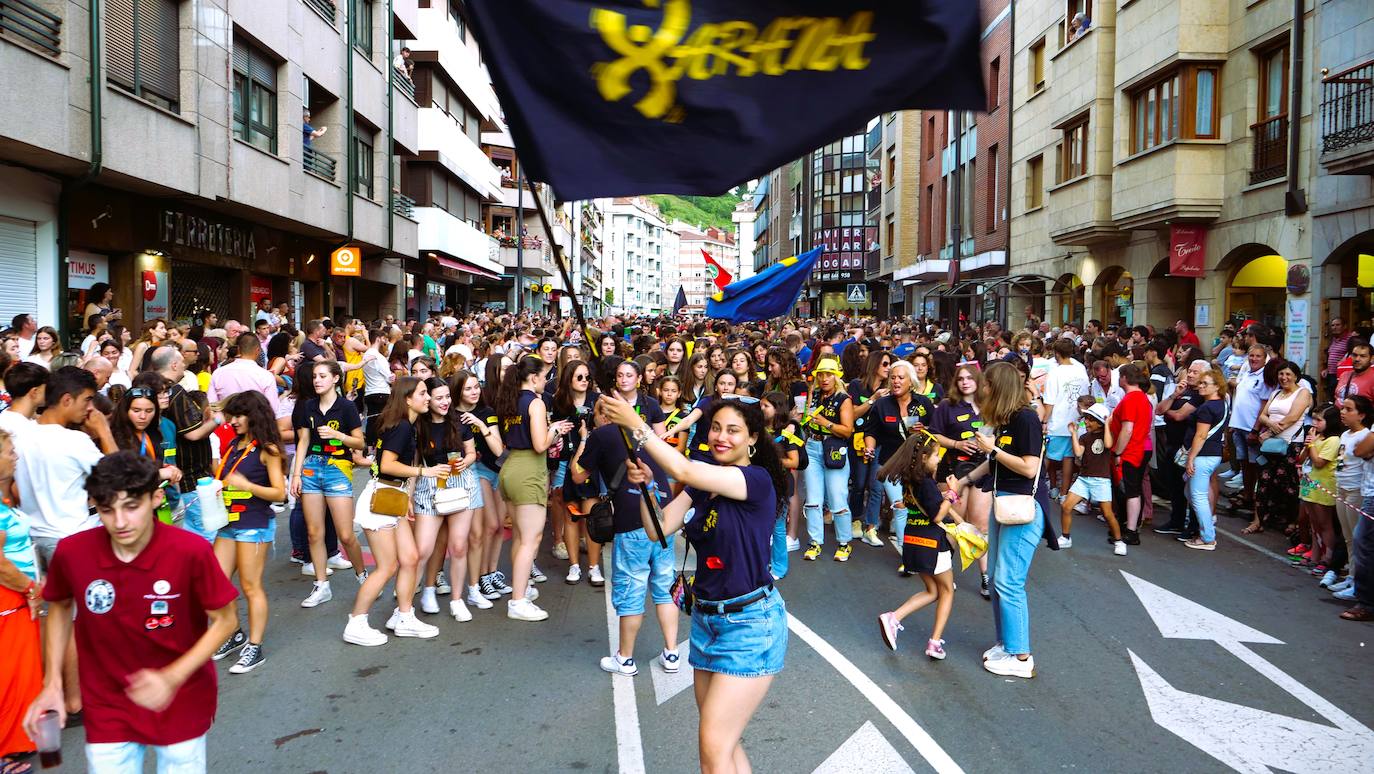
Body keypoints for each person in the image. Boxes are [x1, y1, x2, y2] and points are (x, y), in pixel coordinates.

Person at [599, 393, 790, 773]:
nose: (722, 436)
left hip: (750, 625)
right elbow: (658, 529)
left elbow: (684, 470)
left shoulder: (756, 480)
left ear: (753, 438)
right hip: (706, 622)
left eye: (733, 430)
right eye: (716, 428)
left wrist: (634, 426)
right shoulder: (704, 480)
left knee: (713, 750)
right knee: (722, 744)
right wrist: (647, 487)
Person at [24, 452, 239, 774]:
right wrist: (52, 684)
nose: (120, 522)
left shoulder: (190, 551)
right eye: (107, 510)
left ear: (155, 497)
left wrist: (172, 676)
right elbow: (59, 605)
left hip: (181, 698)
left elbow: (226, 620)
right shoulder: (73, 552)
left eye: (131, 506)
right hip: (107, 702)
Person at [954, 361, 1057, 679]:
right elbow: (990, 463)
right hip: (1004, 505)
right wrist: (965, 479)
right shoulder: (1005, 420)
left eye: (986, 384)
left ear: (998, 387)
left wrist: (994, 450)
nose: (982, 389)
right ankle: (1006, 644)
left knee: (1009, 582)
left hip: (1024, 511)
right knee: (999, 579)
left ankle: (1021, 656)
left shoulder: (1026, 418)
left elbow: (1028, 467)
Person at [572, 400, 680, 677]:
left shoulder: (601, 435)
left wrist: (584, 438)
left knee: (632, 590)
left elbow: (577, 474)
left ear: (602, 415)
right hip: (663, 515)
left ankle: (626, 658)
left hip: (631, 521)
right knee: (665, 587)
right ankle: (671, 652)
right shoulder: (645, 431)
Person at [345, 377, 447, 646]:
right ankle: (356, 622)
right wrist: (425, 471)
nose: (428, 398)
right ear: (407, 399)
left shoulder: (406, 426)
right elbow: (388, 464)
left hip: (393, 498)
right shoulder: (402, 427)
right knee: (387, 566)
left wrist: (408, 496)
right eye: (423, 393)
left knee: (411, 558)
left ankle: (404, 616)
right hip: (381, 500)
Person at [207, 392, 285, 675]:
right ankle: (234, 631)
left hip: (254, 522)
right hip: (228, 522)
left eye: (240, 415)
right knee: (216, 582)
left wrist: (246, 485)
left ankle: (255, 644)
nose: (234, 420)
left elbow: (280, 493)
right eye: (232, 415)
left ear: (254, 416)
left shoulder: (268, 449)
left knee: (251, 586)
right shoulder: (233, 445)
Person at [876, 433, 967, 660]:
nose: (938, 459)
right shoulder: (926, 482)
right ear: (924, 457)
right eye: (936, 455)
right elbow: (937, 516)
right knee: (946, 591)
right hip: (932, 543)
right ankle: (934, 642)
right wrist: (953, 493)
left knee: (932, 591)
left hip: (913, 542)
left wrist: (944, 497)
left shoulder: (910, 481)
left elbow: (929, 504)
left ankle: (893, 618)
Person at [495, 358, 572, 621]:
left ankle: (522, 589)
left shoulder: (509, 399)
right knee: (530, 538)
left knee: (520, 535)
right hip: (529, 470)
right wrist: (555, 430)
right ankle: (518, 600)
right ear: (533, 377)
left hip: (510, 467)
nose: (545, 380)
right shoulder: (536, 403)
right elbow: (541, 444)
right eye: (544, 376)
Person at [292, 361, 368, 608]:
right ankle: (321, 584)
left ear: (336, 378)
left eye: (323, 376)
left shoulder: (346, 407)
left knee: (346, 535)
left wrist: (339, 436)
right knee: (314, 532)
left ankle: (363, 578)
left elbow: (360, 443)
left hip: (337, 467)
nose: (317, 380)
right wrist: (296, 475)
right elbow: (302, 441)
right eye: (315, 376)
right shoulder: (307, 406)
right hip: (311, 468)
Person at [412, 376, 479, 621]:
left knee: (459, 546)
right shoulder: (419, 425)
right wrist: (408, 498)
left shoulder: (460, 421)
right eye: (438, 398)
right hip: (429, 486)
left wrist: (465, 462)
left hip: (460, 485)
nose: (445, 402)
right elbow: (416, 463)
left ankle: (457, 600)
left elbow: (472, 453)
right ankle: (420, 595)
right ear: (427, 399)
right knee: (423, 549)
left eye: (447, 397)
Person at [0, 429, 42, 774]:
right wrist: (29, 588)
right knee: (10, 675)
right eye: (9, 451)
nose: (15, 456)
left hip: (15, 593)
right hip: (9, 595)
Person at [930, 363, 992, 596]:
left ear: (979, 380)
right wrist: (956, 443)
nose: (965, 382)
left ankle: (985, 577)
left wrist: (990, 444)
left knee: (980, 525)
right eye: (960, 379)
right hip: (954, 470)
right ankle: (946, 574)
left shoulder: (989, 405)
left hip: (983, 470)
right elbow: (934, 434)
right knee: (956, 524)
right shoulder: (947, 406)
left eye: (970, 378)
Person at [151, 346, 222, 542]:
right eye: (181, 361)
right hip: (189, 480)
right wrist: (216, 420)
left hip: (171, 479)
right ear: (173, 364)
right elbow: (193, 434)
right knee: (204, 537)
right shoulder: (173, 392)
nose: (184, 366)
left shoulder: (148, 389)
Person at [450, 370, 509, 605]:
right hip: (473, 471)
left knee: (496, 529)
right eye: (468, 388)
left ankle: (490, 573)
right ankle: (480, 578)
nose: (474, 392)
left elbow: (498, 450)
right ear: (458, 392)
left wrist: (479, 424)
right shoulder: (451, 415)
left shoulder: (487, 412)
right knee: (490, 525)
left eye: (476, 387)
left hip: (497, 469)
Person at [863, 360, 936, 550]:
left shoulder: (924, 403)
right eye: (892, 377)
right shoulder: (881, 405)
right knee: (900, 507)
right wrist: (869, 448)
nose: (895, 381)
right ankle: (906, 553)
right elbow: (871, 432)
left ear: (911, 382)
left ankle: (923, 547)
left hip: (918, 464)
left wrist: (925, 429)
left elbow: (937, 432)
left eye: (901, 378)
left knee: (918, 508)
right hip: (890, 463)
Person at [549, 361, 602, 584]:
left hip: (592, 461)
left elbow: (605, 426)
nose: (584, 381)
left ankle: (593, 566)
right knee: (570, 512)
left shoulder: (596, 400)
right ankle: (573, 566)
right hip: (565, 460)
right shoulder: (558, 400)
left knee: (592, 514)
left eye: (587, 377)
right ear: (569, 378)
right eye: (579, 377)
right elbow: (551, 429)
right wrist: (557, 432)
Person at [799, 357, 855, 562]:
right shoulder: (814, 395)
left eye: (829, 374)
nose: (824, 379)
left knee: (837, 497)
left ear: (836, 377)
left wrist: (826, 423)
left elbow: (848, 431)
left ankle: (844, 542)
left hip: (833, 448)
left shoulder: (844, 398)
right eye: (821, 374)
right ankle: (815, 542)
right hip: (813, 446)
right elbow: (807, 419)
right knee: (813, 500)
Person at [1250, 360, 1312, 535]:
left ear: (1295, 376)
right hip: (1271, 445)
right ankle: (1258, 520)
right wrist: (1270, 424)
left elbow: (1293, 417)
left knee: (1289, 483)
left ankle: (1291, 521)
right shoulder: (1276, 393)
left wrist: (1270, 432)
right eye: (1281, 374)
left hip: (1291, 443)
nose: (1284, 378)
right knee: (1263, 481)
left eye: (1288, 374)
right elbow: (1262, 415)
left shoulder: (1303, 392)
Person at [1058, 402, 1125, 555]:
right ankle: (1065, 537)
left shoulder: (1107, 434)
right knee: (1066, 506)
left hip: (1101, 480)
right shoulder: (1084, 437)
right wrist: (1074, 433)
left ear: (1100, 422)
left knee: (1107, 514)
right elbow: (1078, 452)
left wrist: (1107, 424)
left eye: (1090, 419)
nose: (1086, 422)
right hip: (1084, 478)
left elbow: (1108, 444)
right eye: (1086, 419)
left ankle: (1119, 541)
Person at [1182, 369, 1230, 551]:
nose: (1200, 386)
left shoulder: (1207, 408)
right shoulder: (1222, 404)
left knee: (1198, 496)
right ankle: (1205, 531)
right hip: (1213, 454)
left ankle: (1208, 537)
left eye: (1205, 384)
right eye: (1200, 383)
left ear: (1217, 387)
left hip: (1203, 455)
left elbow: (1200, 435)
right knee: (1192, 492)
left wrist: (1191, 458)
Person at [1331, 396, 1374, 598]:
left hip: (1356, 490)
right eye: (1343, 408)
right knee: (1348, 537)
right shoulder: (1345, 434)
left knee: (1359, 539)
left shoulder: (1365, 435)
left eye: (1349, 409)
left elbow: (1362, 455)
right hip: (1341, 487)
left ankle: (1358, 582)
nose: (1343, 412)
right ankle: (1350, 576)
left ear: (1362, 415)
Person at [847, 350, 892, 547]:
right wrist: (873, 399)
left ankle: (870, 527)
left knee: (876, 486)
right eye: (884, 364)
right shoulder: (857, 385)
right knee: (858, 484)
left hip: (880, 442)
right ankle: (855, 519)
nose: (888, 368)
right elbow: (852, 414)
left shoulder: (890, 388)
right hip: (857, 441)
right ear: (874, 365)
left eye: (889, 364)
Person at [761, 392, 804, 580]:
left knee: (777, 527)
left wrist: (772, 460)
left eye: (766, 406)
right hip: (760, 483)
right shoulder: (758, 429)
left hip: (780, 484)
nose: (762, 409)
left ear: (777, 408)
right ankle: (761, 564)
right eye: (761, 405)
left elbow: (793, 461)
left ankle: (779, 567)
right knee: (760, 526)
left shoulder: (787, 432)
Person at [1109, 364, 1153, 545]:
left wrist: (1118, 451)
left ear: (1125, 378)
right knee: (1133, 490)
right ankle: (1130, 527)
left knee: (1129, 491)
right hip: (1140, 448)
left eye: (1120, 376)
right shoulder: (1143, 398)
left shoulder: (1131, 399)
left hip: (1130, 451)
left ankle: (1130, 530)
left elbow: (1127, 429)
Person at [1298, 405, 1342, 582]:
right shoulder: (1316, 438)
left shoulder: (1332, 441)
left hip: (1323, 486)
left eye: (1319, 420)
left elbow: (1318, 462)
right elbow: (1301, 459)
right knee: (1314, 523)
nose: (1314, 423)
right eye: (1313, 419)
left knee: (1325, 524)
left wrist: (1312, 444)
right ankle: (1315, 556)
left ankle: (1327, 558)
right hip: (1308, 484)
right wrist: (1308, 444)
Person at [1040, 338, 1089, 498]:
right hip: (1075, 421)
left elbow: (1050, 401)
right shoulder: (1080, 369)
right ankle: (1062, 492)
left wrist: (1044, 420)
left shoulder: (1055, 372)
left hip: (1058, 421)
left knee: (1048, 457)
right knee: (1068, 458)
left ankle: (1037, 486)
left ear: (1056, 354)